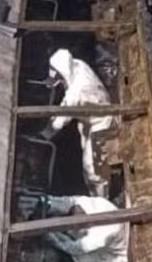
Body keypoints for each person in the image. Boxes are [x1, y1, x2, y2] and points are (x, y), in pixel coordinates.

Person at [41, 49, 116, 192]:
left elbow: (59, 121)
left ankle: (100, 199)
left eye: (60, 77)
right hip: (91, 112)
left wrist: (43, 135)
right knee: (85, 149)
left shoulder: (76, 94)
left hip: (101, 123)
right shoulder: (77, 64)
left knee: (93, 167)